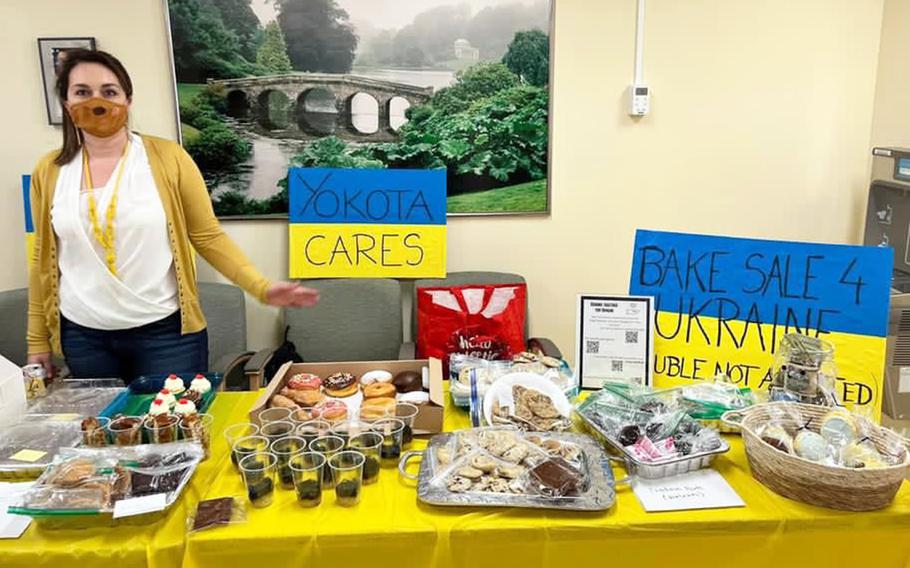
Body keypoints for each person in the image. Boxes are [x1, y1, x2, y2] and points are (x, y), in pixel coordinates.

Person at [26, 49, 319, 383]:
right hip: (83, 338)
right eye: (82, 92)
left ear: (128, 100)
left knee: (175, 430)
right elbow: (43, 259)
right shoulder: (48, 171)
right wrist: (37, 339)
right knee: (104, 433)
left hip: (166, 336)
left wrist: (261, 286)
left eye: (109, 92)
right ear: (66, 104)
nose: (97, 102)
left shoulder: (168, 158)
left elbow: (207, 235)